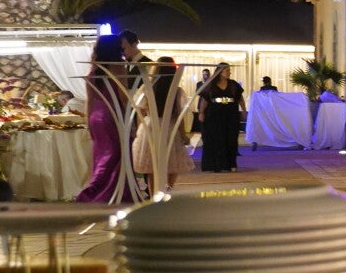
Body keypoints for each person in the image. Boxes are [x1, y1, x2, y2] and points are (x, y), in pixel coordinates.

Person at [74, 34, 133, 202]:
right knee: (116, 155)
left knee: (102, 155)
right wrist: (132, 117)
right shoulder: (118, 66)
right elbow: (123, 96)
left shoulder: (93, 70)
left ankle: (101, 192)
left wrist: (89, 122)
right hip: (113, 115)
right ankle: (97, 193)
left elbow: (90, 99)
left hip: (96, 116)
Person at [130, 56, 192, 188]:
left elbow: (140, 112)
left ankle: (154, 194)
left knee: (152, 166)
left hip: (150, 127)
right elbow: (178, 116)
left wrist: (139, 130)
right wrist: (183, 134)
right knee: (171, 163)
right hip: (169, 127)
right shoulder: (176, 91)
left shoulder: (146, 88)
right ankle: (168, 190)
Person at [196, 62, 245, 174]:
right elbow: (205, 99)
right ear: (220, 72)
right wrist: (201, 112)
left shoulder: (233, 84)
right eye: (227, 70)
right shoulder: (211, 84)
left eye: (229, 70)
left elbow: (240, 98)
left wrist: (243, 110)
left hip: (230, 114)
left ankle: (230, 164)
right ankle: (213, 165)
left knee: (231, 138)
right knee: (214, 139)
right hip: (214, 114)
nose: (229, 73)